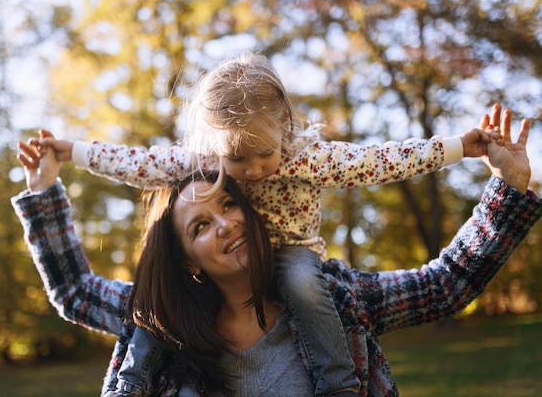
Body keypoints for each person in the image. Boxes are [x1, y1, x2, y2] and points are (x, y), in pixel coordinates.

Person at [40, 51, 501, 397]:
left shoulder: (312, 160)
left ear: (284, 123)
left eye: (265, 154)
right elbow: (138, 164)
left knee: (301, 282)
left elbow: (384, 160)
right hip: (171, 298)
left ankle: (337, 383)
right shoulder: (203, 164)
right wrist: (72, 153)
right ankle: (131, 383)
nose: (256, 170)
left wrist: (461, 148)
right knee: (152, 303)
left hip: (295, 253)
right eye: (238, 160)